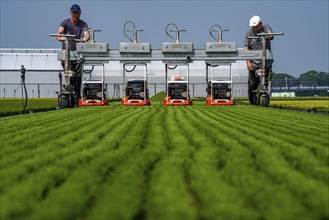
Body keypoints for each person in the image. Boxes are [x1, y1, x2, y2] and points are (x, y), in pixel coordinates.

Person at [55, 4, 90, 105]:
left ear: (80, 13)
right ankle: (68, 96)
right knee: (68, 76)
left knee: (77, 78)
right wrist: (62, 37)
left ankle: (77, 99)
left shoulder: (83, 24)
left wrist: (84, 39)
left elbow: (86, 34)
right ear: (70, 13)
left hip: (78, 56)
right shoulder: (65, 22)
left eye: (77, 13)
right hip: (66, 56)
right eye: (74, 13)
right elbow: (59, 32)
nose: (76, 15)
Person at [244, 15, 274, 104]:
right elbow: (246, 48)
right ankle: (252, 100)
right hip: (254, 64)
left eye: (256, 26)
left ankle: (264, 96)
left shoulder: (266, 27)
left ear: (261, 24)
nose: (254, 28)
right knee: (252, 84)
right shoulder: (249, 32)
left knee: (264, 83)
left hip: (266, 63)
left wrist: (267, 36)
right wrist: (248, 62)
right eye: (253, 26)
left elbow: (271, 35)